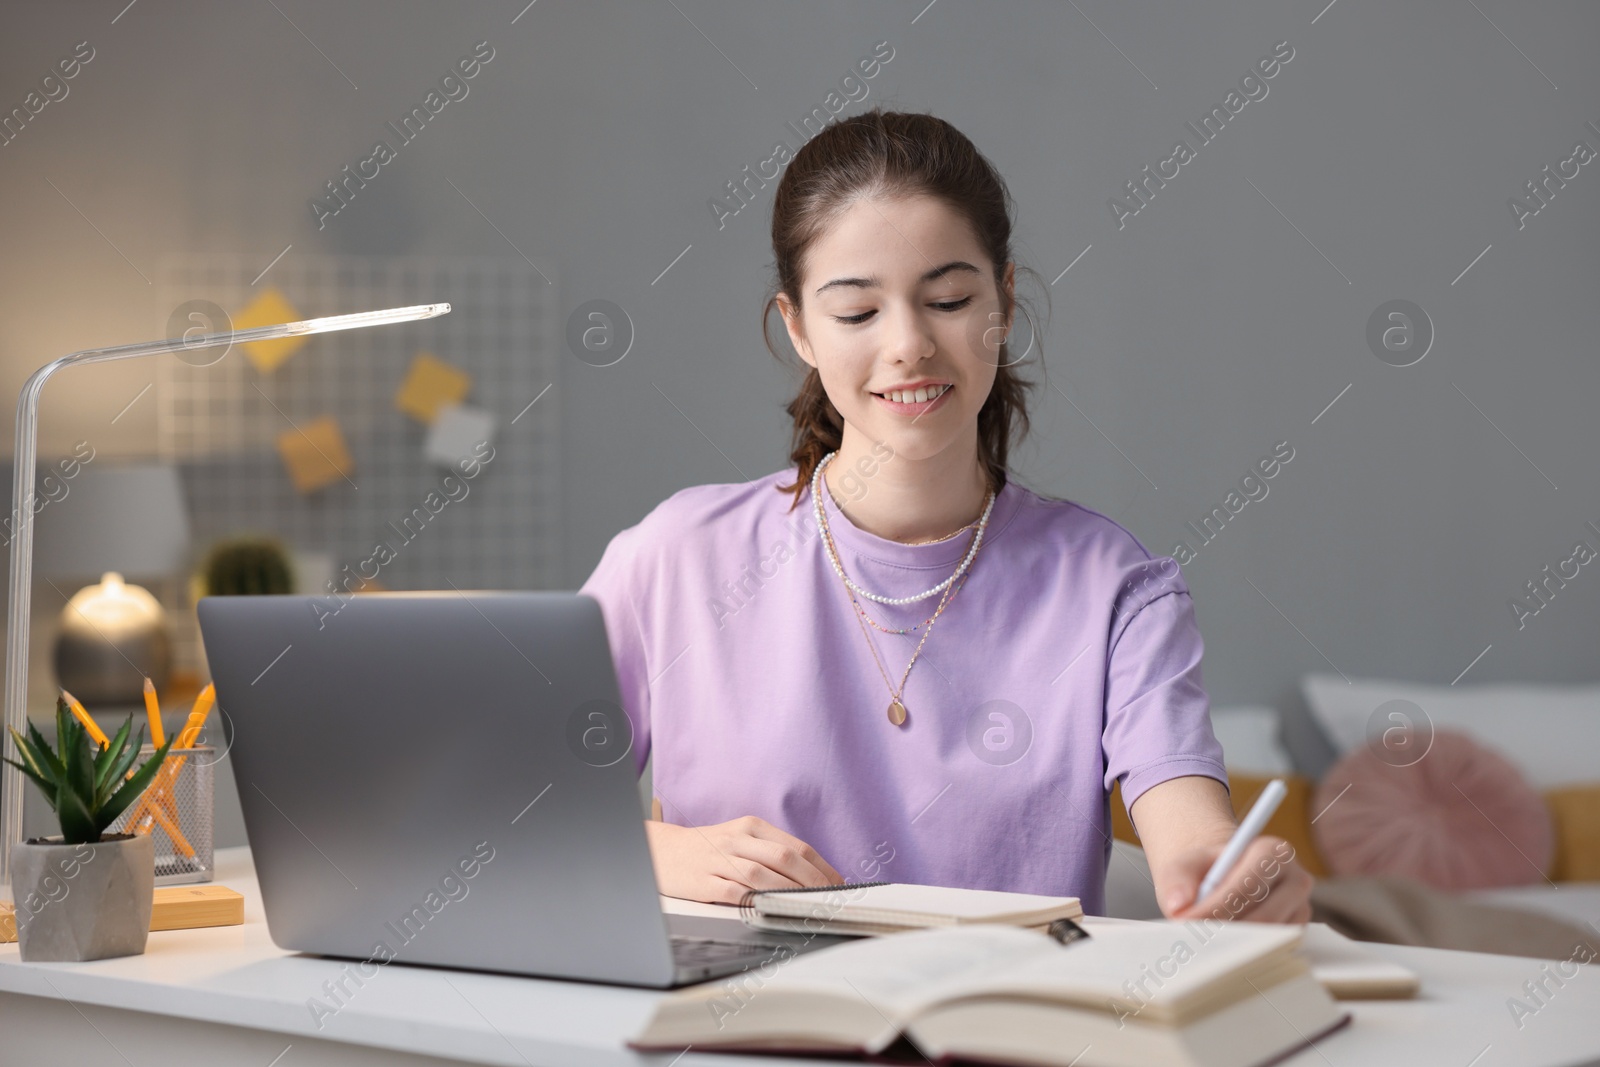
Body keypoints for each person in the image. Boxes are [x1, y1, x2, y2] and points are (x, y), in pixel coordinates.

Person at [580, 108, 1313, 923]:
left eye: (950, 298)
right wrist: (660, 852)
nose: (909, 345)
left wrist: (1233, 878)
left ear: (1002, 300)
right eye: (857, 313)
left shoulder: (1116, 590)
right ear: (799, 330)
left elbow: (1193, 837)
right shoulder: (677, 557)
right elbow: (502, 820)